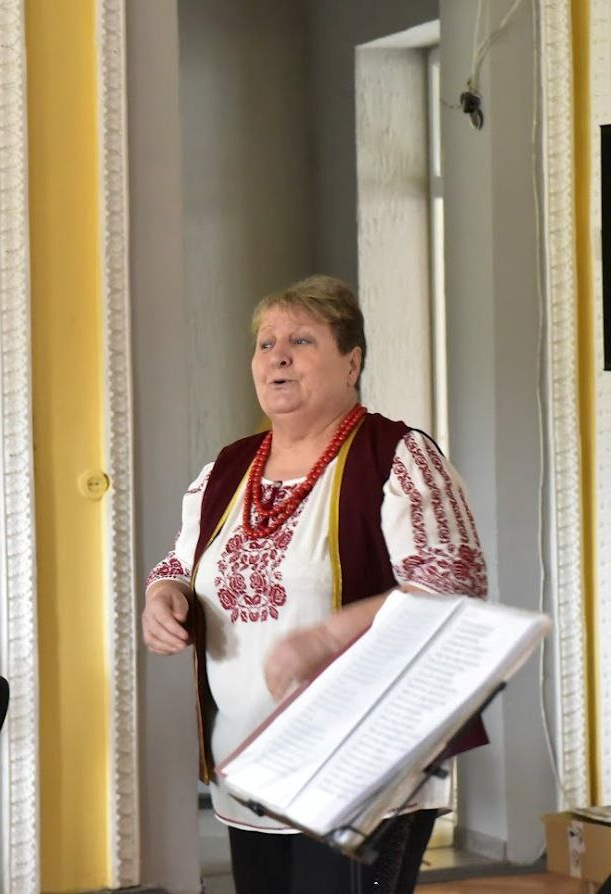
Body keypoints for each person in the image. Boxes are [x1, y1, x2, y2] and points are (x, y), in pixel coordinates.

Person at [141, 275, 488, 894]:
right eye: (265, 342)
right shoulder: (226, 468)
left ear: (351, 362)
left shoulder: (398, 456)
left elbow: (453, 590)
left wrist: (329, 637)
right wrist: (163, 598)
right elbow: (179, 565)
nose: (277, 355)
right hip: (251, 763)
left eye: (301, 340)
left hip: (364, 770)